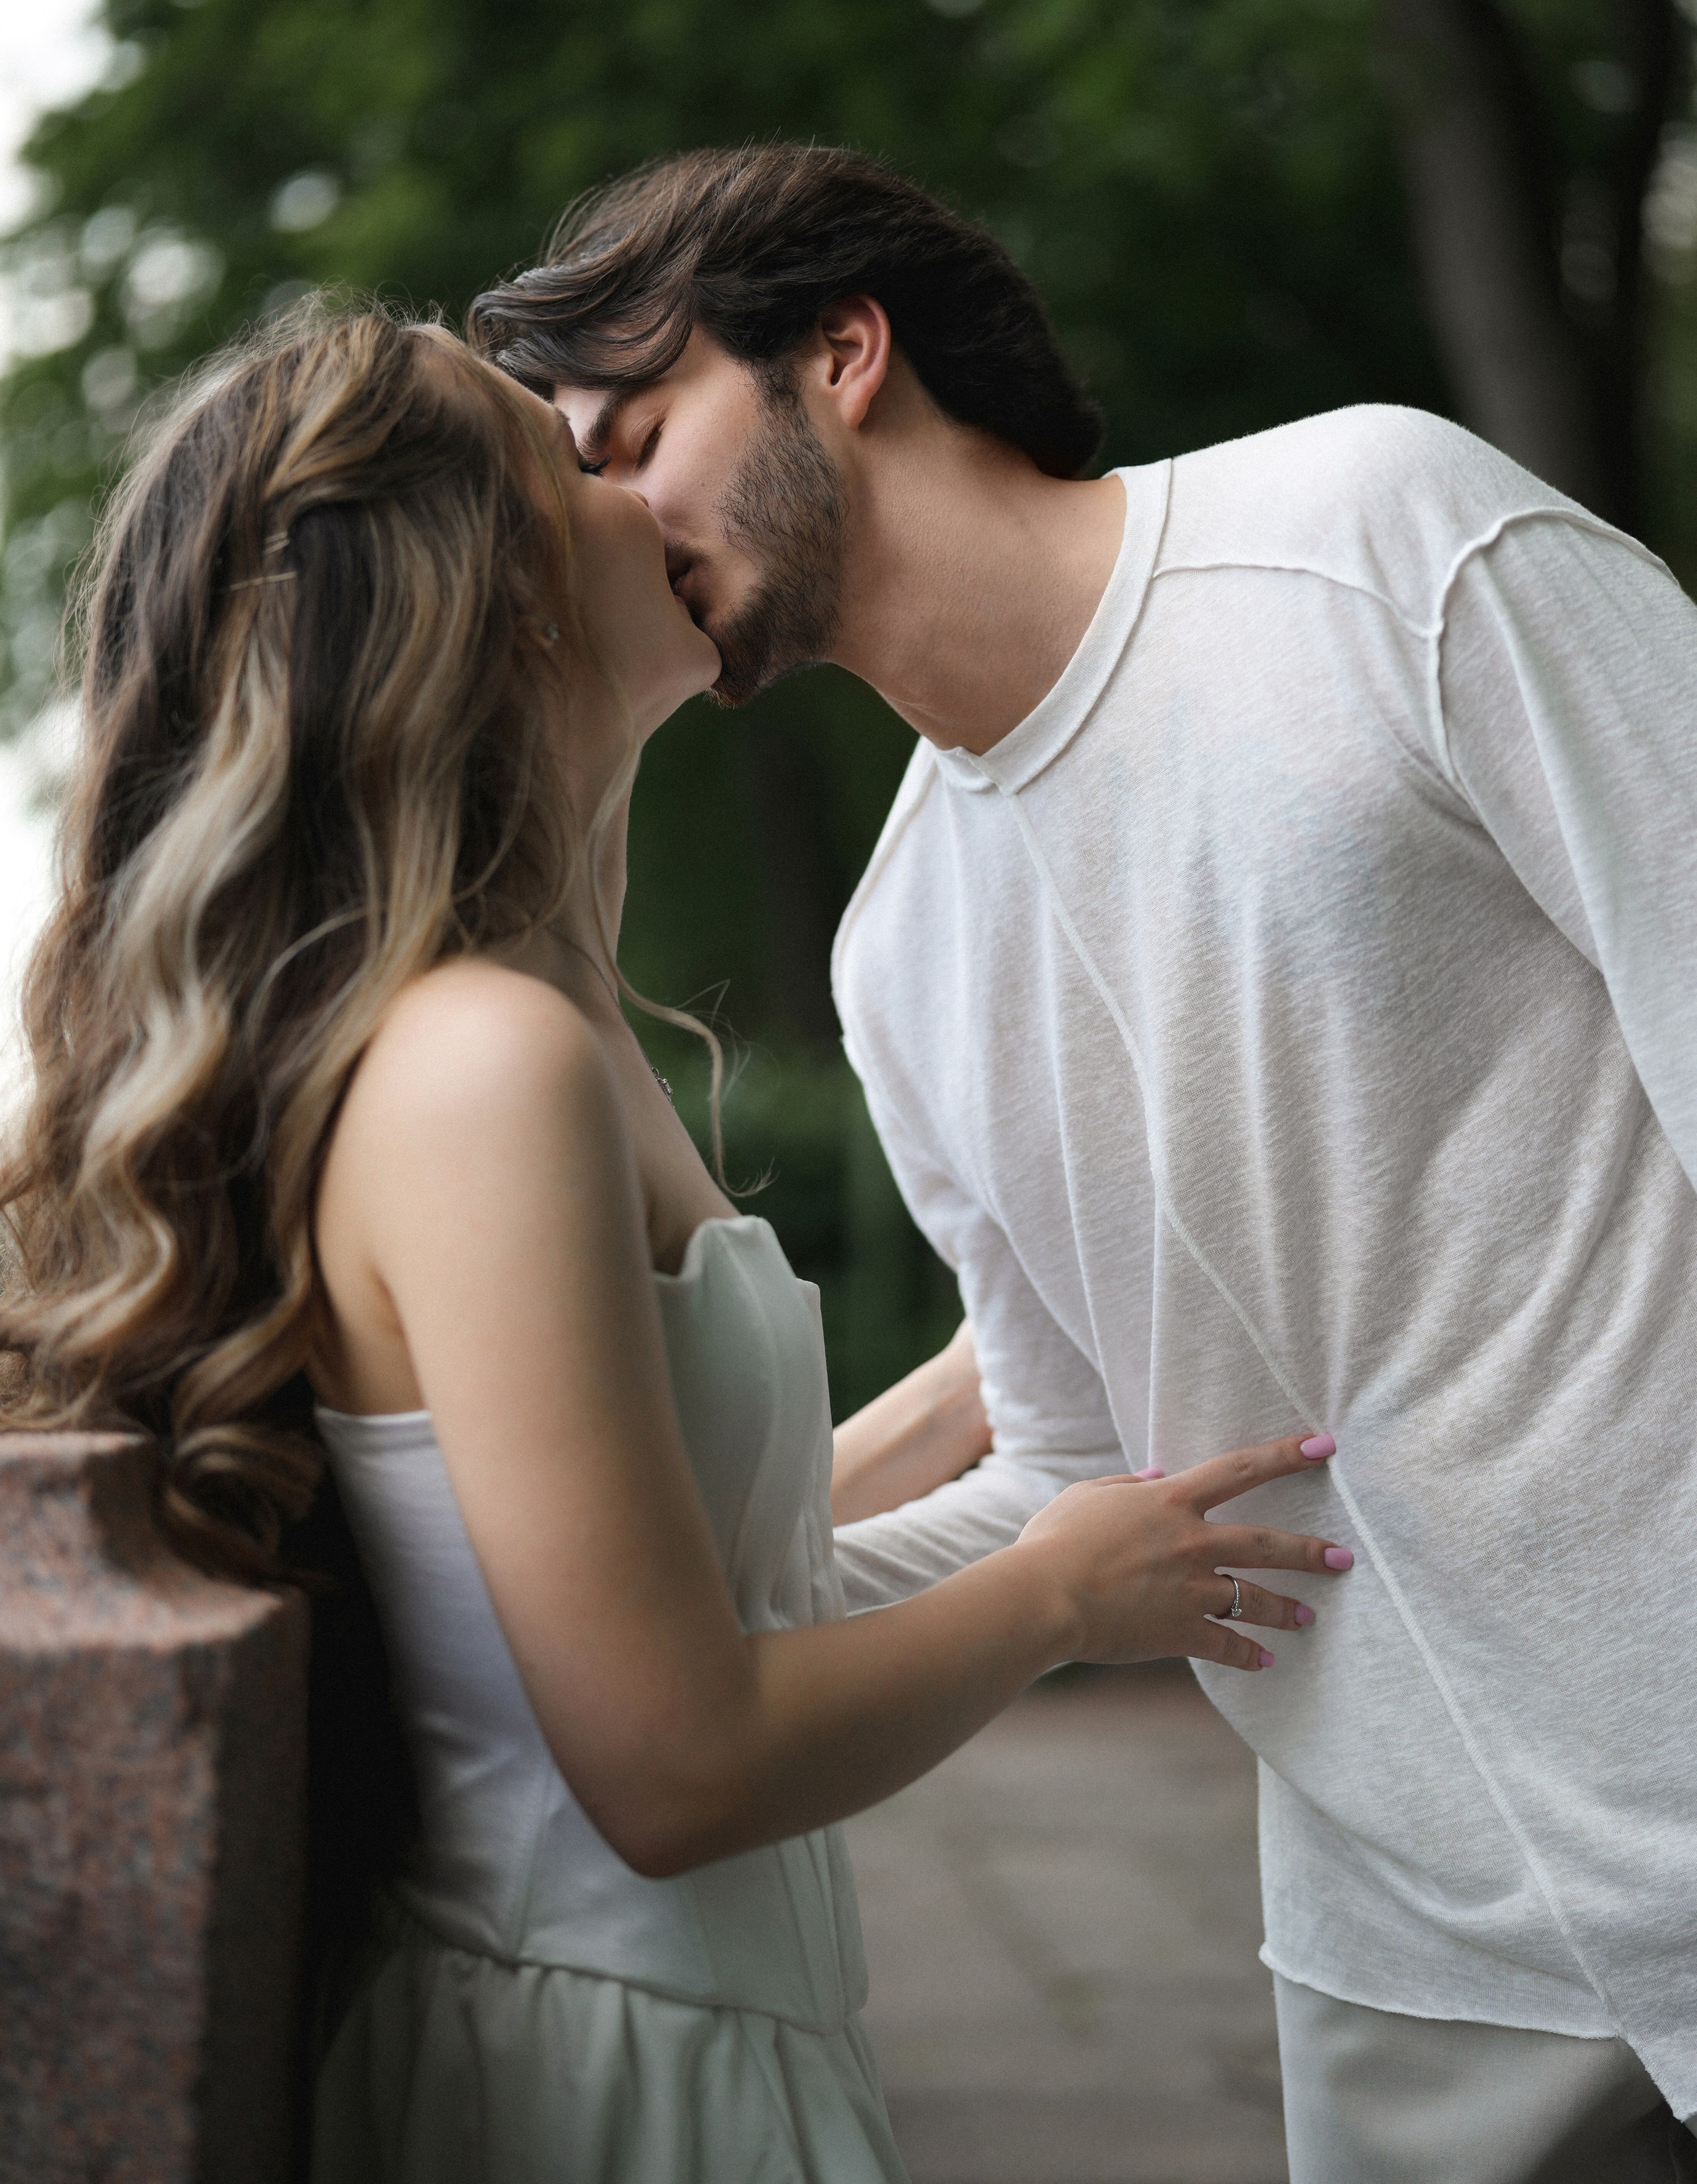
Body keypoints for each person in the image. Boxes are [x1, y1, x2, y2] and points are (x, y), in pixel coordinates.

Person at [0, 304, 1348, 2184]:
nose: (638, 488)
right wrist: (1062, 1595)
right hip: (600, 2089)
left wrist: (990, 1382)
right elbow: (672, 1763)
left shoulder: (534, 1029)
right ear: (497, 597)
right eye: (570, 465)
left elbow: (687, 1558)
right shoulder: (485, 1066)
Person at [471, 141, 1697, 2183]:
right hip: (1406, 1969)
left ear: (843, 355)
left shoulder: (1377, 534)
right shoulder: (901, 949)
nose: (609, 514)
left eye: (638, 429)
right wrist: (657, 1644)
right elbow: (1073, 1473)